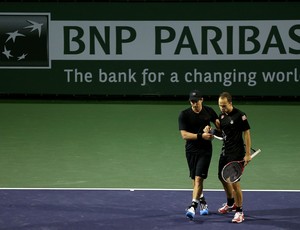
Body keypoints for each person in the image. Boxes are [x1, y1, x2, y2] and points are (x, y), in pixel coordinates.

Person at [178, 90, 219, 220]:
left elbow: (220, 128)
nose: (194, 103)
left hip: (205, 150)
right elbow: (184, 135)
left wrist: (212, 130)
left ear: (202, 100)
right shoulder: (184, 114)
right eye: (192, 101)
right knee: (194, 178)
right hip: (191, 150)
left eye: (196, 101)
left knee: (198, 179)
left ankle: (192, 206)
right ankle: (203, 203)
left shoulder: (209, 111)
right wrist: (201, 135)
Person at [217, 92, 252, 223]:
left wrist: (247, 154)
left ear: (230, 103)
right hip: (225, 152)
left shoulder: (240, 115)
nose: (222, 108)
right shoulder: (221, 116)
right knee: (221, 177)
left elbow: (247, 134)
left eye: (224, 106)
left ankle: (239, 211)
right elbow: (224, 133)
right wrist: (212, 131)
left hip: (236, 154)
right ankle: (231, 203)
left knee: (235, 182)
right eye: (220, 106)